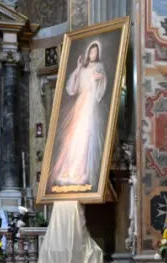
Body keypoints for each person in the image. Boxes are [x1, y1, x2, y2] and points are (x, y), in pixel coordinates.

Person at [50, 41, 108, 191]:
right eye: (91, 52)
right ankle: (70, 169)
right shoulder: (81, 69)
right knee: (74, 137)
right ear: (88, 53)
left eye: (95, 52)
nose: (93, 54)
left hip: (90, 104)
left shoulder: (98, 67)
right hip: (80, 103)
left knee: (85, 136)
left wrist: (100, 78)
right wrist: (77, 68)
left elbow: (103, 84)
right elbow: (72, 89)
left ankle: (80, 170)